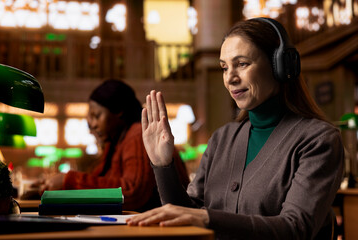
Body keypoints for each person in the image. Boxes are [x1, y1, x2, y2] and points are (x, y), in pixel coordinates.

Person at [126, 18, 344, 239]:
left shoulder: (319, 140)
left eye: (242, 64)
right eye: (224, 67)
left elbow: (295, 228)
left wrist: (207, 218)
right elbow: (185, 216)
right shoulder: (222, 138)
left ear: (279, 66)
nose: (230, 77)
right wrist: (163, 165)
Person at [37, 79, 190, 212]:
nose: (93, 125)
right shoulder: (117, 142)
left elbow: (132, 191)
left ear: (118, 111)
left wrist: (69, 180)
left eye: (97, 116)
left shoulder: (137, 135)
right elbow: (103, 182)